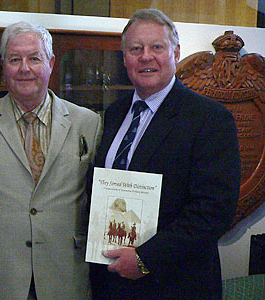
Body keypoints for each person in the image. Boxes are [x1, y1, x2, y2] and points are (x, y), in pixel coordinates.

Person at [89, 8, 241, 300]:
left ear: (176, 52)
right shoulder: (115, 113)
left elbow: (214, 212)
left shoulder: (209, 118)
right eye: (135, 49)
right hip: (111, 280)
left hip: (174, 284)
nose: (146, 56)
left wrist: (145, 259)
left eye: (157, 47)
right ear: (125, 59)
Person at [0, 21, 102, 300]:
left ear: (51, 63)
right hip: (0, 272)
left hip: (66, 273)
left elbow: (94, 199)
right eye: (14, 59)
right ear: (3, 65)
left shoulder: (88, 123)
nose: (24, 68)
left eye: (34, 58)